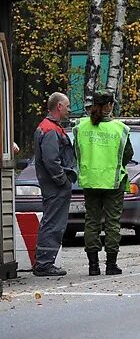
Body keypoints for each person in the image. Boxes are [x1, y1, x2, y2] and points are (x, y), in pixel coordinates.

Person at [73, 90, 133, 276]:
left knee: (91, 221)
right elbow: (128, 154)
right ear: (109, 106)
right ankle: (111, 264)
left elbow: (77, 152)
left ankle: (93, 266)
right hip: (113, 183)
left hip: (90, 181)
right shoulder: (120, 129)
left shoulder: (80, 127)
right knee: (112, 222)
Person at [32, 92, 77, 277]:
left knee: (51, 221)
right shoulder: (50, 130)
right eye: (66, 105)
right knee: (53, 223)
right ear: (58, 106)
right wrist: (62, 180)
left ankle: (44, 261)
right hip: (55, 186)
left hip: (53, 185)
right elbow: (51, 160)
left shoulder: (48, 127)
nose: (68, 109)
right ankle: (44, 263)